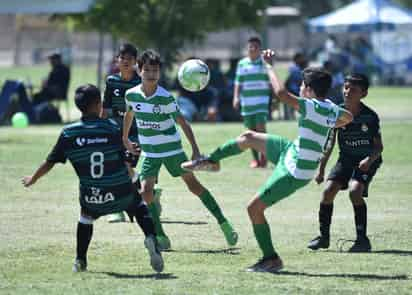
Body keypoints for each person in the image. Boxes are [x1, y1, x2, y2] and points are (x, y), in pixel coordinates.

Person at [181, 49, 353, 273]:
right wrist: (329, 124)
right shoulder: (329, 107)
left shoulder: (312, 105)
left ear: (309, 90)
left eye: (302, 86)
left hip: (295, 170)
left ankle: (271, 259)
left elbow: (281, 93)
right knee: (248, 137)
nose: (300, 89)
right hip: (291, 151)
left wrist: (268, 65)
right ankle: (212, 161)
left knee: (254, 209)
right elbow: (348, 117)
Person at [21, 84, 164, 273]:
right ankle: (151, 238)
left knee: (85, 217)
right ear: (98, 104)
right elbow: (127, 160)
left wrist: (33, 178)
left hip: (92, 198)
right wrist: (133, 157)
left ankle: (80, 261)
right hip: (120, 193)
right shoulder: (112, 128)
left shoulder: (69, 133)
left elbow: (50, 162)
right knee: (138, 205)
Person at [123, 50, 238, 251]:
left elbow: (183, 123)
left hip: (172, 150)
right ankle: (160, 235)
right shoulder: (131, 95)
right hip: (150, 152)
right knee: (145, 192)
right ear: (139, 71)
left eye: (155, 70)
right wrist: (124, 138)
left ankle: (224, 223)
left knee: (194, 186)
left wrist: (195, 149)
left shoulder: (165, 98)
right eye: (147, 70)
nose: (151, 74)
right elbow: (129, 114)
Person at [308, 73, 383, 253]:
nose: (347, 92)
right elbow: (330, 143)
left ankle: (362, 240)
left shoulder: (370, 117)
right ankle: (323, 238)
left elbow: (379, 147)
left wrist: (369, 160)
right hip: (346, 159)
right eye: (346, 87)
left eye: (353, 90)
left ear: (363, 94)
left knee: (355, 191)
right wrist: (321, 169)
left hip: (367, 160)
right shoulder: (337, 113)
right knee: (328, 192)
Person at [101, 43, 142, 223]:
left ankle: (139, 195)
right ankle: (119, 209)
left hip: (135, 132)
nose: (125, 62)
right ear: (117, 60)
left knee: (124, 167)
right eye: (122, 58)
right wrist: (100, 129)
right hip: (115, 131)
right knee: (114, 168)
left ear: (135, 62)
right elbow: (105, 108)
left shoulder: (140, 82)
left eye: (129, 59)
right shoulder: (111, 81)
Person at [233, 36, 271, 168]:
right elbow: (238, 83)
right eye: (251, 46)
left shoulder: (264, 62)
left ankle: (264, 157)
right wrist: (236, 97)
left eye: (256, 47)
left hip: (261, 102)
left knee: (261, 129)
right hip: (247, 103)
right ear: (247, 48)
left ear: (260, 49)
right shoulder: (242, 63)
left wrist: (269, 58)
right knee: (251, 132)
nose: (253, 49)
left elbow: (271, 73)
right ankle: (256, 160)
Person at [284, 52, 308, 120]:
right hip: (294, 90)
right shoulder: (293, 69)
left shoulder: (303, 68)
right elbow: (288, 81)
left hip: (300, 91)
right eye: (300, 58)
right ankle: (288, 116)